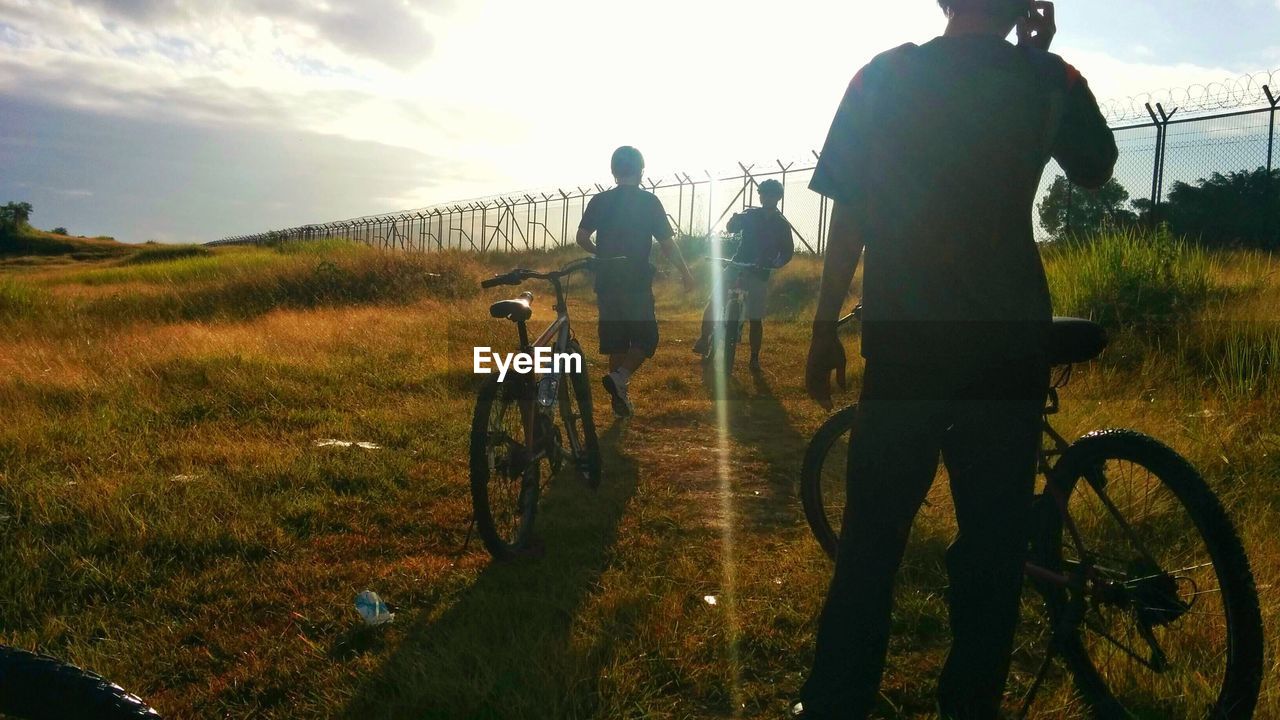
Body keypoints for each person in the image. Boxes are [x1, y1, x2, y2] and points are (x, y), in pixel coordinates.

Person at [794, 1, 1117, 718]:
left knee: (873, 537)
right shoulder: (1050, 78)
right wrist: (1039, 52)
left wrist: (824, 327)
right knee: (993, 550)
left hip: (907, 338)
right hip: (1007, 338)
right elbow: (1095, 170)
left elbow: (849, 218)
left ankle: (835, 702)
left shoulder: (882, 77)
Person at [577, 146, 696, 418]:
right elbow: (667, 244)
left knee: (616, 343)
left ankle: (619, 400)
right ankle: (621, 379)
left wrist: (601, 253)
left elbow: (582, 237)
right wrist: (686, 272)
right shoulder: (649, 202)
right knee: (646, 337)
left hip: (606, 281)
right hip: (636, 280)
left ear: (613, 171)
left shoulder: (600, 200)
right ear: (642, 171)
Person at [692, 178, 795, 370]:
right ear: (760, 195)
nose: (767, 197)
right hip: (737, 264)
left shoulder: (782, 224)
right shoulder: (749, 214)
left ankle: (754, 358)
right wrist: (733, 221)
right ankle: (704, 339)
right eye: (763, 193)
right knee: (715, 301)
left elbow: (787, 252)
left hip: (759, 272)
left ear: (778, 197)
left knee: (755, 318)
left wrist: (773, 264)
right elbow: (731, 229)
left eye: (772, 194)